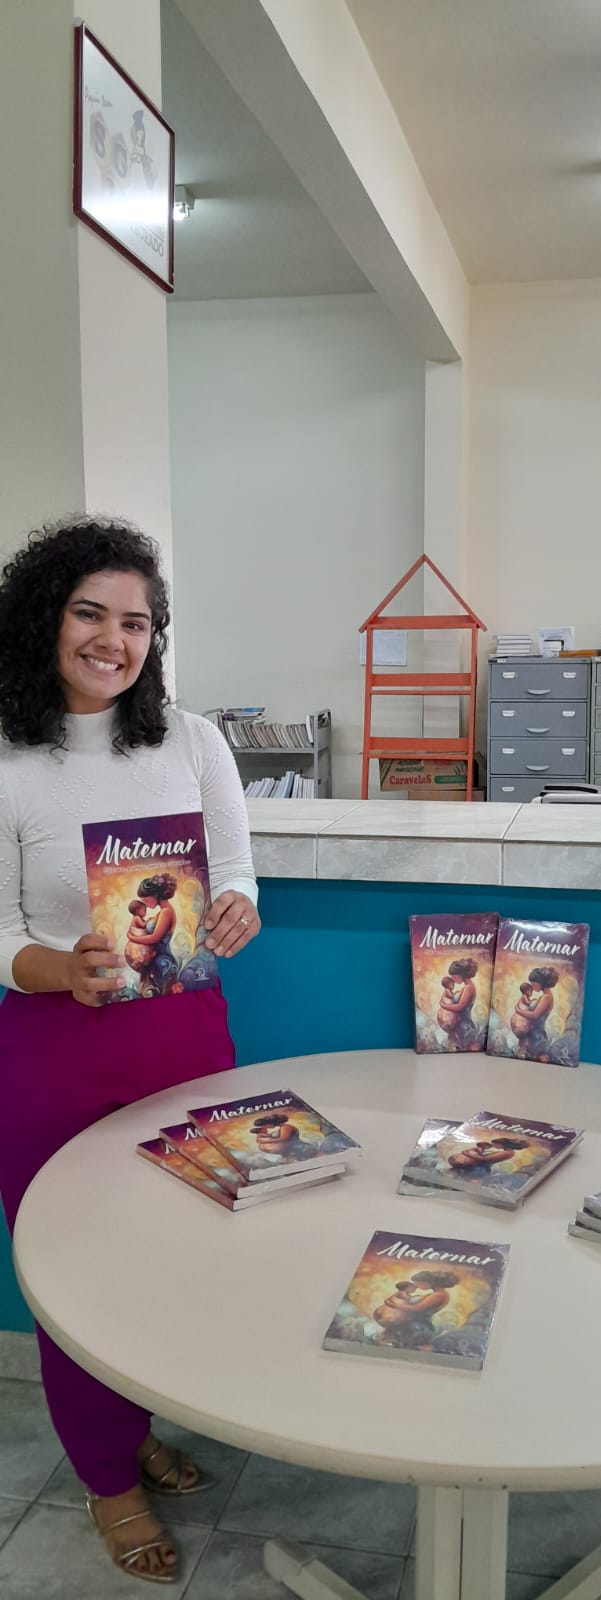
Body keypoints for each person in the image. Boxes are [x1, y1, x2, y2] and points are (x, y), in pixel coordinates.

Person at [0, 517, 261, 1586]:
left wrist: (239, 908)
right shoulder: (9, 760)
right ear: (45, 619)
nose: (115, 640)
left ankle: (137, 1423)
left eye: (137, 622)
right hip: (57, 1048)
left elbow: (234, 871)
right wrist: (59, 968)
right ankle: (108, 1479)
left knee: (177, 1257)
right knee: (77, 1273)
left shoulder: (192, 740)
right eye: (90, 614)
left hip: (185, 1039)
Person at [510, 966, 559, 1060]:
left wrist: (518, 1010)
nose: (531, 986)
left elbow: (535, 1015)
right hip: (530, 1035)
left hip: (536, 1036)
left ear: (540, 983)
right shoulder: (544, 997)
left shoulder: (547, 998)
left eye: (533, 983)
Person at [435, 957, 480, 1051]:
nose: (453, 979)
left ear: (461, 975)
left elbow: (460, 1007)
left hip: (463, 1026)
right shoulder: (466, 988)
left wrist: (443, 1005)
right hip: (457, 1025)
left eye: (454, 976)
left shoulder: (469, 988)